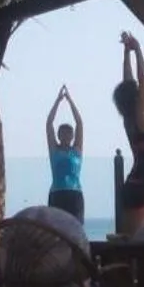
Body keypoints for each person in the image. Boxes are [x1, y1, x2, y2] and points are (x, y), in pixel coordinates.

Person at [114, 32, 144, 234]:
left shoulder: (129, 120)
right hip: (143, 188)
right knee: (138, 245)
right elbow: (143, 81)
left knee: (131, 242)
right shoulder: (142, 119)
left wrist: (127, 52)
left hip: (135, 185)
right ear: (136, 98)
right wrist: (138, 50)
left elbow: (129, 83)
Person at [46, 86, 86, 224]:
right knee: (55, 229)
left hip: (74, 194)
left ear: (72, 136)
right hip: (57, 194)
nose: (65, 136)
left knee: (76, 228)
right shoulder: (54, 151)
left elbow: (79, 123)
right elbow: (49, 123)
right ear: (58, 135)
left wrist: (70, 100)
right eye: (62, 133)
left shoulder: (76, 151)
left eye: (68, 133)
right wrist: (58, 101)